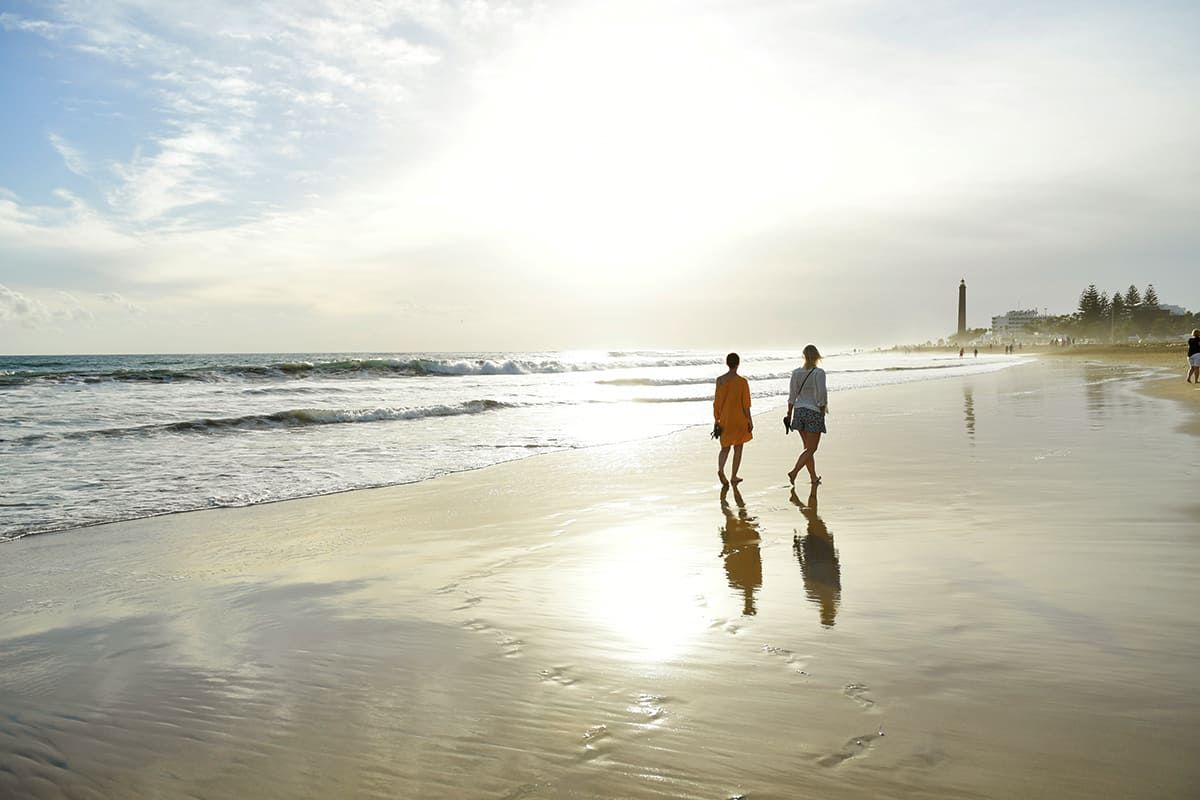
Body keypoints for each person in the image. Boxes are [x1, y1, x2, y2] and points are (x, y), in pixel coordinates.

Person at [785, 344, 827, 486]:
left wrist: (789, 414)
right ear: (817, 356)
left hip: (799, 411)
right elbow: (821, 393)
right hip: (813, 411)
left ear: (804, 356)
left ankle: (813, 477)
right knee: (811, 448)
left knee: (807, 448)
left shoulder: (796, 373)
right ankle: (794, 471)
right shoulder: (819, 373)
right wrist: (822, 408)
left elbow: (792, 395)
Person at [713, 352, 753, 487]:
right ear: (738, 363)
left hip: (725, 419)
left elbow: (717, 402)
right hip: (740, 419)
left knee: (725, 448)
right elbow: (746, 404)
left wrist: (716, 419)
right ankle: (734, 476)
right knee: (738, 448)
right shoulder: (742, 382)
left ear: (727, 363)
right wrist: (750, 420)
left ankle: (720, 469)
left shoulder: (720, 381)